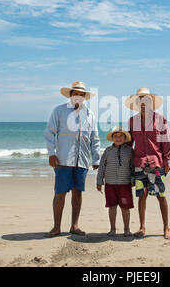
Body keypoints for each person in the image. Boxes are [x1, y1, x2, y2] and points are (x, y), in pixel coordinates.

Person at [44, 81, 100, 238]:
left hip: (82, 161)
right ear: (70, 95)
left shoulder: (90, 114)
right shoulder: (59, 111)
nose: (78, 96)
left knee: (78, 193)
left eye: (81, 94)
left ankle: (74, 226)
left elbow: (94, 138)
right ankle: (56, 227)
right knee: (60, 193)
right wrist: (51, 153)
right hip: (63, 160)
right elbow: (50, 133)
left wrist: (96, 159)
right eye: (75, 93)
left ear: (84, 97)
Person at [125, 87, 170, 239]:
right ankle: (142, 227)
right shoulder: (133, 121)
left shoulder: (160, 119)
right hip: (139, 163)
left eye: (146, 100)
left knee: (161, 195)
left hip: (156, 163)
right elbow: (129, 143)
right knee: (142, 196)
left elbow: (166, 141)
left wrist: (166, 160)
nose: (143, 102)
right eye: (140, 100)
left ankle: (166, 228)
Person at [96, 126, 134, 237]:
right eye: (116, 136)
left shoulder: (129, 151)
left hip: (125, 184)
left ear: (125, 138)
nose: (118, 138)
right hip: (110, 184)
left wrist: (133, 180)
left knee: (125, 208)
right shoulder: (108, 151)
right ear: (112, 138)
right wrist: (99, 181)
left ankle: (126, 229)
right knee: (112, 207)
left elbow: (132, 167)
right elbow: (102, 167)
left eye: (121, 136)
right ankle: (112, 229)